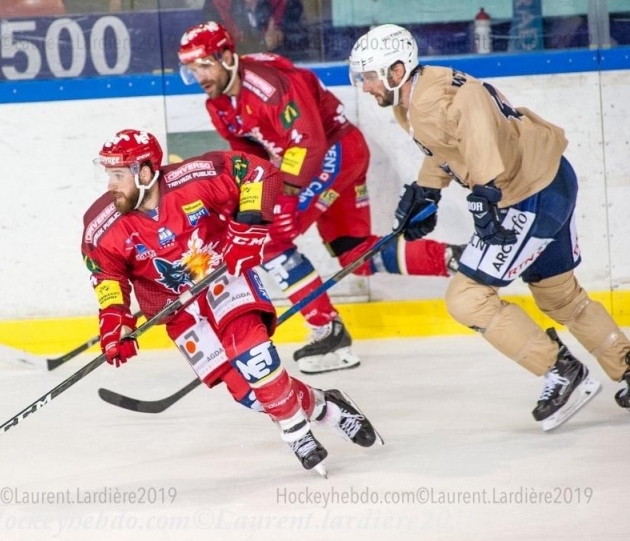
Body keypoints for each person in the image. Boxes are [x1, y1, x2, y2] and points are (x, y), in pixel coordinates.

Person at [348, 24, 630, 430]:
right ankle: (625, 365)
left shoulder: (427, 101)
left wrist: (484, 192)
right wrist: (427, 191)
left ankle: (562, 370)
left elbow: (476, 113)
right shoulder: (419, 93)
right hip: (551, 179)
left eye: (369, 76)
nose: (365, 86)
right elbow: (451, 140)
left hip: (527, 193)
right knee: (560, 297)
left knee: (466, 298)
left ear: (396, 70)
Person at [81, 128, 382, 475]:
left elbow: (258, 172)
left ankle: (296, 433)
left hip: (223, 275)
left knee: (251, 353)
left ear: (145, 172)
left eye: (118, 175)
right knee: (248, 392)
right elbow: (108, 278)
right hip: (178, 310)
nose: (110, 185)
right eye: (108, 175)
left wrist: (249, 228)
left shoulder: (194, 178)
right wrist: (115, 324)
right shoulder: (100, 227)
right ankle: (328, 408)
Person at [177, 21, 465, 375]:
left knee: (269, 236)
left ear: (225, 55)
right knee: (355, 255)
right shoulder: (219, 103)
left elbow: (309, 142)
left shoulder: (269, 86)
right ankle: (456, 260)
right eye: (192, 70)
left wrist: (282, 194)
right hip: (323, 158)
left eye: (204, 65)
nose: (200, 76)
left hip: (334, 152)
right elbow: (248, 155)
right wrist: (251, 194)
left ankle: (327, 329)